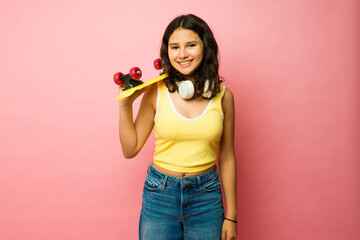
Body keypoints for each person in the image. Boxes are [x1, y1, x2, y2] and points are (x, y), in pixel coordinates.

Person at [118, 14, 237, 240]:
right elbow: (130, 149)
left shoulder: (224, 97)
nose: (182, 54)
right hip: (160, 195)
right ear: (166, 53)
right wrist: (125, 106)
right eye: (175, 47)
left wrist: (231, 216)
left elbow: (228, 156)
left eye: (191, 45)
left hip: (207, 198)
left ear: (206, 48)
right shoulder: (156, 91)